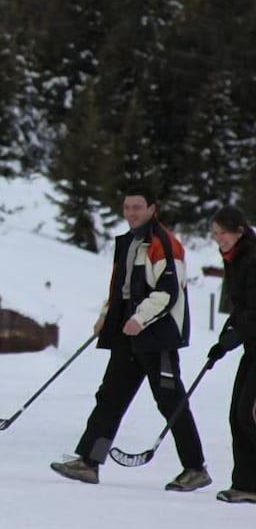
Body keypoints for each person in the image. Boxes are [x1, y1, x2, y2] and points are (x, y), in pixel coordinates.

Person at [51, 185, 210, 491]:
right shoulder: (128, 242)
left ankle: (195, 468)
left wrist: (139, 319)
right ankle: (89, 461)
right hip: (128, 336)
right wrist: (106, 316)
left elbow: (168, 292)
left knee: (171, 401)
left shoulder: (164, 243)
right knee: (110, 398)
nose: (131, 213)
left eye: (137, 207)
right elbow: (120, 289)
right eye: (127, 208)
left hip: (157, 336)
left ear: (152, 208)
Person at [205, 206, 256, 503]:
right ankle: (246, 484)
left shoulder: (251, 258)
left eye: (222, 233)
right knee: (237, 416)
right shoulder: (235, 258)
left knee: (247, 415)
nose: (218, 239)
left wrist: (233, 337)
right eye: (214, 234)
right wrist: (225, 338)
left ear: (238, 230)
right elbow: (240, 308)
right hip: (251, 345)